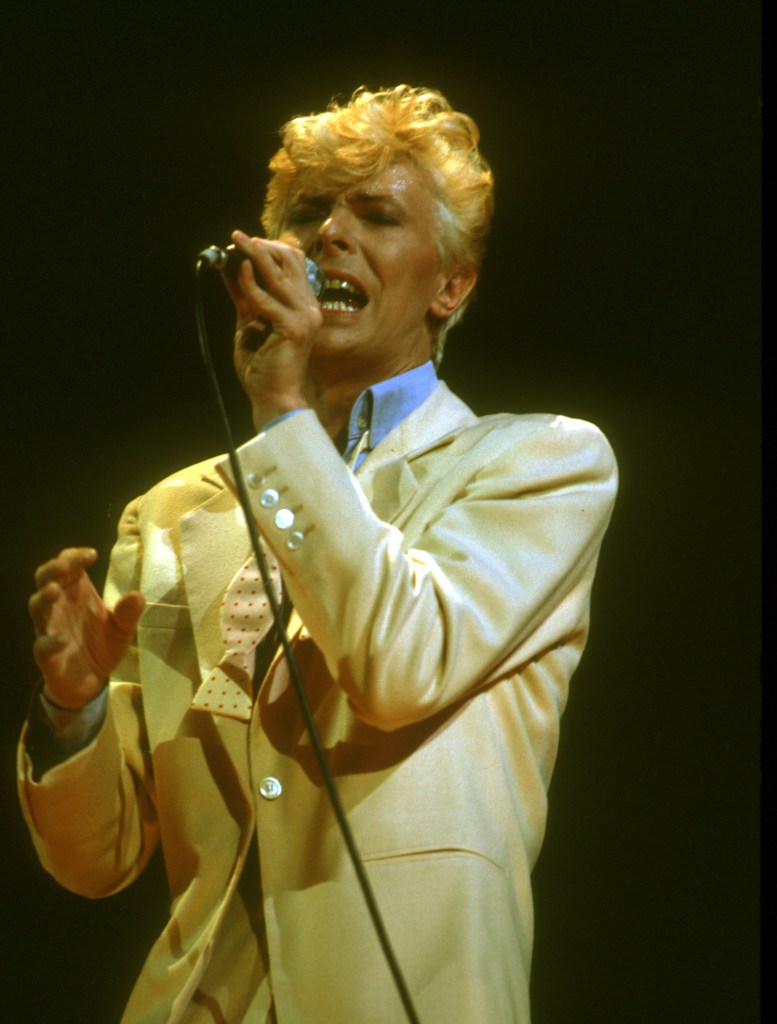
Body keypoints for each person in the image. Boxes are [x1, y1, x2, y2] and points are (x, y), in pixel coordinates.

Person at [19, 85, 618, 1024]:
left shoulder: (536, 464)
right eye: (307, 213)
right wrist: (73, 708)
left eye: (374, 215)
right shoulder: (171, 511)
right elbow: (97, 861)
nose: (327, 236)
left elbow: (399, 666)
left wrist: (283, 412)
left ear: (451, 284)